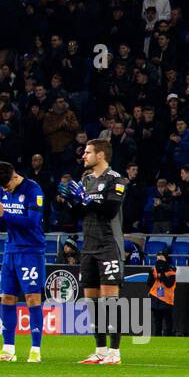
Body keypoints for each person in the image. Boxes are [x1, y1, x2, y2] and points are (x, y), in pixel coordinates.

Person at [60, 139, 127, 365]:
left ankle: (115, 352)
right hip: (88, 246)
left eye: (88, 152)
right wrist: (70, 202)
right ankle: (100, 350)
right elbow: (81, 213)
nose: (84, 156)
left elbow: (109, 210)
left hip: (108, 244)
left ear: (100, 155)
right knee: (91, 301)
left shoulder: (116, 179)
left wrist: (86, 200)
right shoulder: (86, 179)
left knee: (110, 300)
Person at [0, 160, 46, 362]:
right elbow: (3, 222)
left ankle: (35, 350)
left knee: (33, 298)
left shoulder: (34, 189)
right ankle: (8, 350)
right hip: (10, 250)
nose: (5, 189)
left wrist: (4, 212)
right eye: (2, 187)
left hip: (31, 250)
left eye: (7, 185)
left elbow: (32, 222)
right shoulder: (1, 190)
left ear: (15, 176)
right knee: (7, 298)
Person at [146, 249, 176, 338]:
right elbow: (149, 283)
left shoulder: (171, 270)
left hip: (166, 299)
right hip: (155, 298)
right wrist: (152, 274)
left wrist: (162, 274)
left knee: (168, 321)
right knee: (157, 321)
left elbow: (169, 284)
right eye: (157, 257)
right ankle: (157, 337)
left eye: (161, 257)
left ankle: (169, 337)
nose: (159, 259)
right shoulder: (153, 269)